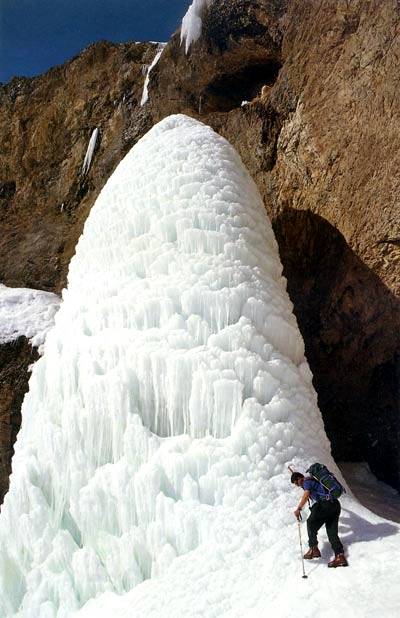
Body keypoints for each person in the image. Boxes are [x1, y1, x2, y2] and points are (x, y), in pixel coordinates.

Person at [291, 471, 348, 568]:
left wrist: (299, 508)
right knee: (331, 532)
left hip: (324, 505)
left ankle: (313, 549)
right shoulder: (313, 481)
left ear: (299, 478)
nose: (297, 485)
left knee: (310, 523)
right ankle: (340, 556)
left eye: (296, 483)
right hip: (335, 505)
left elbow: (306, 494)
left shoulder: (306, 482)